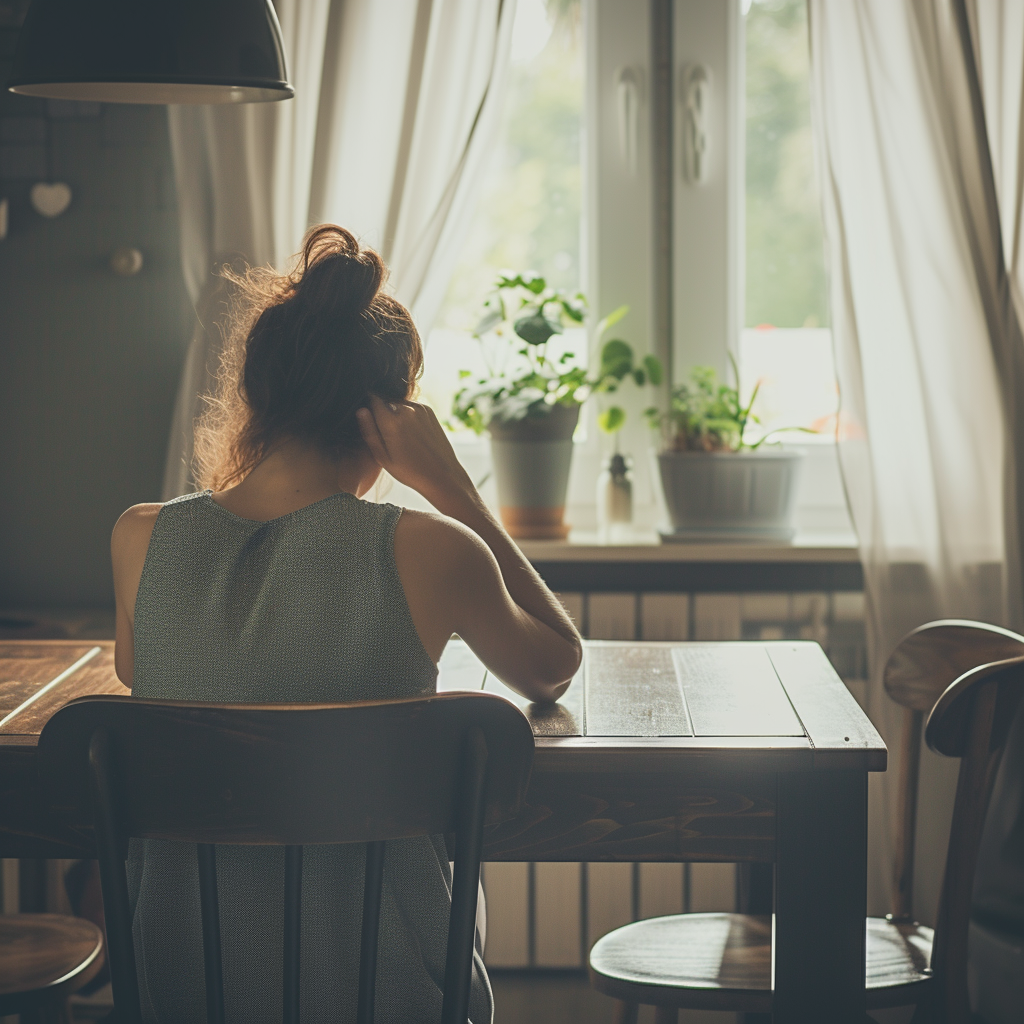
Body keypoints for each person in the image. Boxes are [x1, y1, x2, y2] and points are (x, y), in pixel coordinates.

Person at [109, 224, 582, 1023]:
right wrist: (457, 490)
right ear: (386, 416)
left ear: (256, 394)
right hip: (388, 993)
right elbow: (554, 663)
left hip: (184, 991)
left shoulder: (139, 537)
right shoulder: (430, 550)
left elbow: (136, 671)